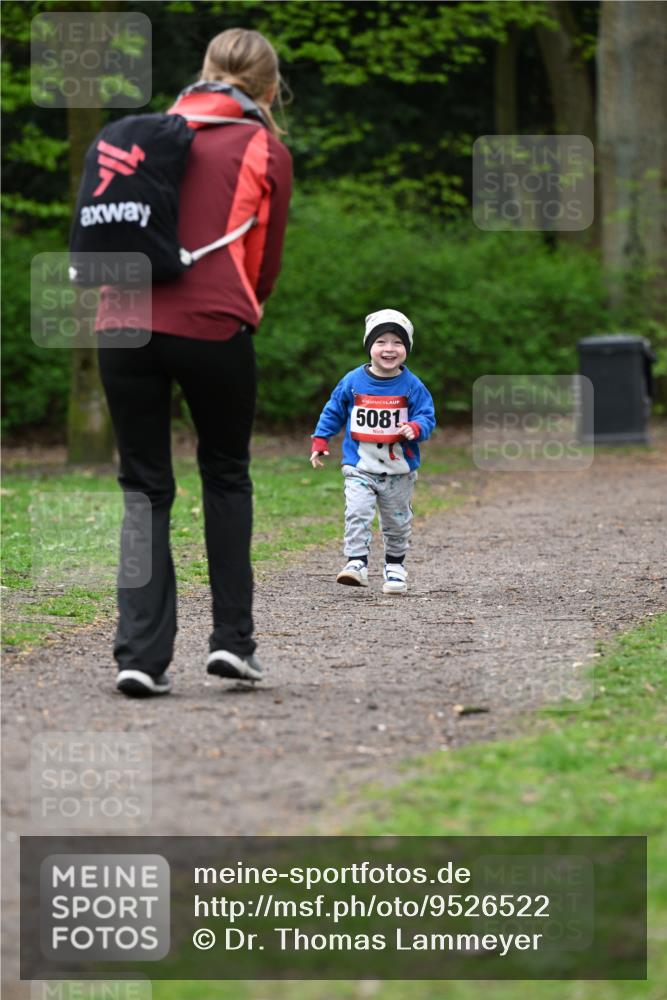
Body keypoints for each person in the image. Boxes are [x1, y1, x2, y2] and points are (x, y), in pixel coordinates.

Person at [95, 28, 292, 697]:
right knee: (226, 474)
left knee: (143, 488)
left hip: (122, 322)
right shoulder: (263, 146)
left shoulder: (140, 135)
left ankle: (139, 656)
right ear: (270, 89)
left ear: (201, 72)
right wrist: (239, 308)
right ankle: (233, 644)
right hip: (212, 324)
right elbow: (263, 265)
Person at [310, 309, 436, 594]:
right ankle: (356, 562)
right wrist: (320, 440)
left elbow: (427, 416)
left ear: (407, 348)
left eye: (397, 342)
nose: (389, 349)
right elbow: (333, 410)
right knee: (357, 512)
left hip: (399, 470)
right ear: (369, 346)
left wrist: (416, 427)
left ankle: (395, 567)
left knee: (397, 522)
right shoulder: (353, 381)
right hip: (360, 466)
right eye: (381, 342)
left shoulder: (412, 386)